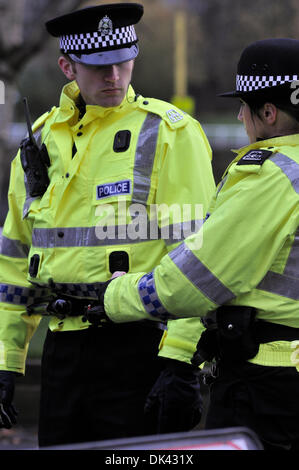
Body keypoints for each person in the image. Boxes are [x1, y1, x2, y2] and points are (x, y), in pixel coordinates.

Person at [0, 3, 215, 447]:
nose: (114, 76)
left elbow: (198, 254)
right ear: (67, 66)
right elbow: (15, 261)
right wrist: (5, 363)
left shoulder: (170, 133)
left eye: (122, 62)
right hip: (62, 350)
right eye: (98, 67)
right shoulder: (38, 143)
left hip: (140, 349)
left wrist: (181, 361)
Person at [100, 38, 299, 451]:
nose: (240, 115)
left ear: (269, 112)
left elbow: (196, 280)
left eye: (244, 105)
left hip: (267, 386)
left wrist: (118, 293)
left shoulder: (274, 178)